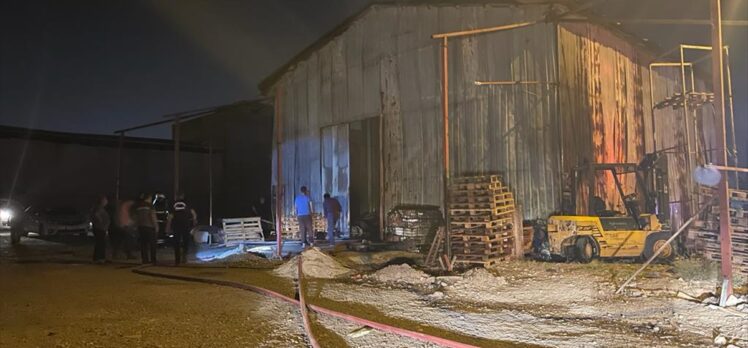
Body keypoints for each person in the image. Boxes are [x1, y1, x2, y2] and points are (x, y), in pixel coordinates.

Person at [166, 193, 197, 265]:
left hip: (176, 225)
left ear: (177, 197)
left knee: (176, 242)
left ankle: (177, 260)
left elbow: (170, 217)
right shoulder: (187, 203)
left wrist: (168, 227)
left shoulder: (173, 204)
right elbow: (193, 213)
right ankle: (184, 257)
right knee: (186, 241)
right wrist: (194, 221)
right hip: (185, 224)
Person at [134, 194, 159, 264]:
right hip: (149, 227)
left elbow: (136, 217)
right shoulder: (150, 206)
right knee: (152, 244)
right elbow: (152, 216)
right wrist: (156, 226)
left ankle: (145, 260)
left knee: (143, 244)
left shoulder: (139, 206)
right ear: (149, 198)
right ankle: (153, 260)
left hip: (141, 227)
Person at [91, 195, 111, 264]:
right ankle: (99, 258)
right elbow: (96, 215)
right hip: (99, 228)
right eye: (105, 200)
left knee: (100, 243)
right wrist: (101, 221)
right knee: (100, 243)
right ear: (102, 201)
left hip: (101, 228)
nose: (107, 202)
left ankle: (99, 258)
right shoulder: (99, 208)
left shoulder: (101, 208)